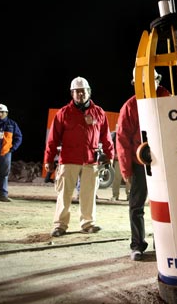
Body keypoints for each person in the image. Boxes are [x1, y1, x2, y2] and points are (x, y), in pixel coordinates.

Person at [44, 76, 114, 237]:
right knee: (64, 193)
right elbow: (53, 139)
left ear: (89, 92)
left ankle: (87, 223)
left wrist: (110, 155)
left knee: (88, 193)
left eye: (83, 92)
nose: (80, 95)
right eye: (77, 92)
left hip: (91, 160)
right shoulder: (63, 113)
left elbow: (106, 137)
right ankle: (60, 225)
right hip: (68, 160)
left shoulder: (99, 113)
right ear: (71, 93)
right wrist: (49, 159)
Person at [116, 68, 170, 261]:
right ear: (136, 83)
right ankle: (137, 245)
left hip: (165, 163)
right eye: (143, 81)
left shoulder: (169, 100)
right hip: (140, 164)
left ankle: (164, 244)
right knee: (136, 206)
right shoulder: (130, 107)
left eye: (152, 79)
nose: (148, 84)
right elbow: (122, 140)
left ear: (158, 80)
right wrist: (126, 169)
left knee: (165, 205)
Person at [0, 104, 22, 202]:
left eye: (2, 112)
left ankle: (3, 195)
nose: (0, 114)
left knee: (4, 175)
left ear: (6, 113)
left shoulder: (12, 124)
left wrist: (12, 149)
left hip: (6, 153)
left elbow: (19, 137)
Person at [110, 129, 130, 201]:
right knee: (116, 178)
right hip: (118, 159)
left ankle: (129, 195)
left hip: (127, 159)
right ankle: (115, 195)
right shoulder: (114, 135)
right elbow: (111, 145)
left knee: (128, 178)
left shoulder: (129, 134)